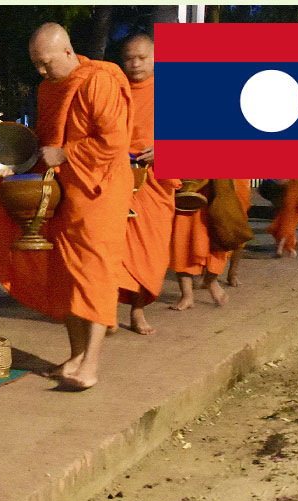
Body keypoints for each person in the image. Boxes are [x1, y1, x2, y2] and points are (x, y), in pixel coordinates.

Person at [0, 22, 134, 390]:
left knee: (94, 275)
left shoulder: (100, 80)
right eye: (37, 65)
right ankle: (75, 355)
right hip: (61, 191)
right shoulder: (49, 88)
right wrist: (12, 162)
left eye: (46, 63)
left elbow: (112, 142)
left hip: (99, 191)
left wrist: (66, 153)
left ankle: (90, 365)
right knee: (64, 276)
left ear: (67, 51)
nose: (42, 72)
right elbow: (46, 140)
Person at [113, 33, 181, 336]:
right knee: (114, 249)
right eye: (129, 58)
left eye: (142, 57)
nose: (135, 63)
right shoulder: (114, 90)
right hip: (118, 178)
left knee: (149, 252)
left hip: (154, 183)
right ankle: (105, 310)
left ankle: (137, 310)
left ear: (156, 58)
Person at [168, 179, 252, 310]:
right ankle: (187, 295)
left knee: (219, 237)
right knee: (182, 240)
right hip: (185, 188)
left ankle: (211, 280)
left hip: (217, 190)